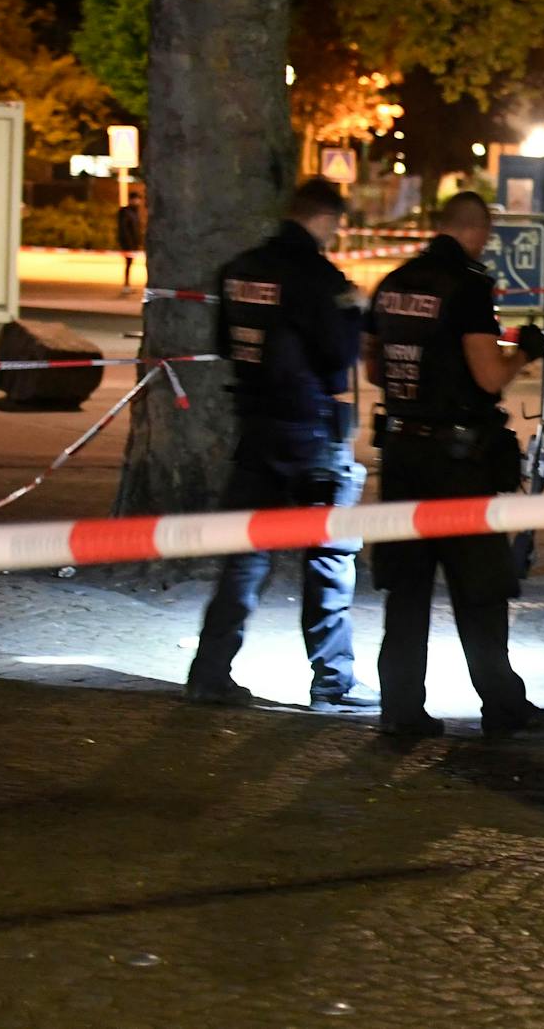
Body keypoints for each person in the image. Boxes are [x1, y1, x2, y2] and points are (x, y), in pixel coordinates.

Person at [361, 192, 544, 740]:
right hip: (455, 464)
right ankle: (502, 705)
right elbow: (489, 377)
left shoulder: (393, 283)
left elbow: (375, 370)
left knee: (407, 590)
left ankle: (401, 710)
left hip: (402, 454)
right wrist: (524, 350)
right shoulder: (469, 286)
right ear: (479, 231)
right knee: (480, 589)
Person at [184, 179, 375, 711]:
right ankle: (333, 680)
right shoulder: (318, 278)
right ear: (327, 218)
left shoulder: (240, 270)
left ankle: (209, 671)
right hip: (311, 434)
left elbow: (226, 344)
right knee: (331, 557)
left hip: (255, 428)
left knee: (245, 557)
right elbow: (338, 358)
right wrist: (351, 311)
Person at [117, 191, 144, 292]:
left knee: (130, 264)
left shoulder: (135, 212)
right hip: (128, 244)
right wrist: (128, 243)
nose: (137, 202)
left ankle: (127, 285)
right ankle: (126, 285)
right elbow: (124, 229)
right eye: (136, 199)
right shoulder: (125, 212)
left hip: (134, 243)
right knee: (128, 264)